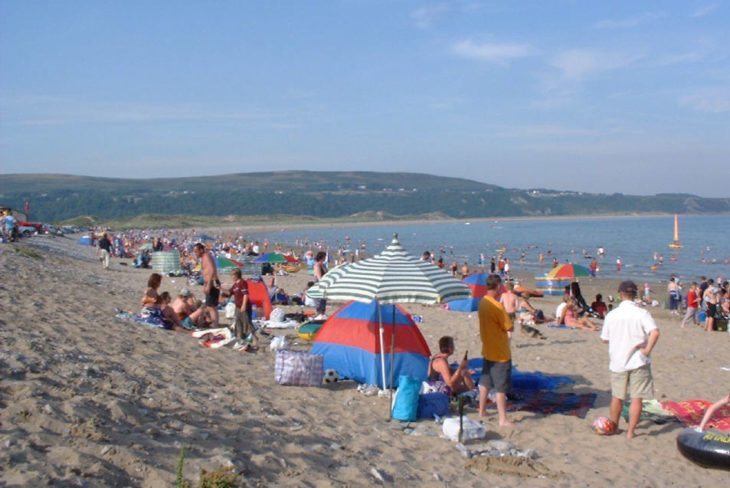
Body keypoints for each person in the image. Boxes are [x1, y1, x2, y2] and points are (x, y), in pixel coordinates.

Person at [601, 280, 660, 440]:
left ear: (620, 295)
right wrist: (647, 350)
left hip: (618, 360)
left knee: (617, 396)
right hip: (638, 360)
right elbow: (654, 332)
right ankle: (630, 432)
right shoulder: (641, 313)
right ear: (634, 295)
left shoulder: (612, 315)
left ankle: (614, 426)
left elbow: (604, 339)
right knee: (636, 398)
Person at [477, 274, 514, 427]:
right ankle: (502, 419)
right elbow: (509, 327)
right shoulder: (497, 307)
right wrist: (510, 316)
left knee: (485, 382)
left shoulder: (483, 302)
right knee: (500, 387)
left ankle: (481, 410)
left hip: (488, 348)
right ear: (498, 286)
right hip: (499, 352)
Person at [225, 269, 257, 351]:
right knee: (238, 323)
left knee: (247, 323)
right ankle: (240, 339)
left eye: (232, 275)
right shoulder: (235, 285)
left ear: (237, 275)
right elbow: (229, 293)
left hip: (244, 307)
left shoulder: (242, 283)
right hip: (237, 307)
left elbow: (246, 295)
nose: (231, 277)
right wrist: (220, 288)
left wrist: (243, 305)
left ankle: (255, 339)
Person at [193, 242, 220, 328]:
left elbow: (211, 270)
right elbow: (207, 272)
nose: (195, 253)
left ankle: (215, 325)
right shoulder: (204, 257)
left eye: (196, 251)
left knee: (211, 307)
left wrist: (208, 285)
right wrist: (205, 284)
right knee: (210, 306)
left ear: (201, 250)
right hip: (210, 282)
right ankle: (214, 324)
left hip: (212, 283)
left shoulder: (206, 256)